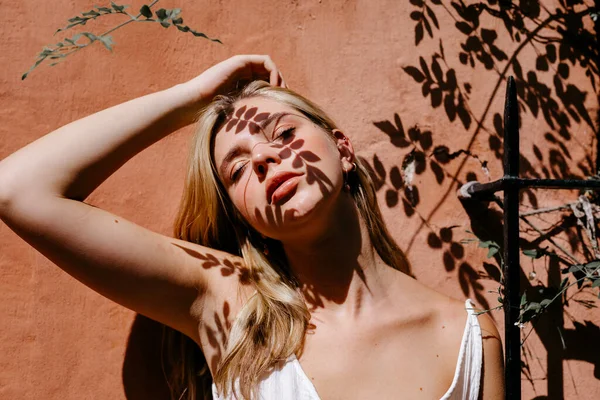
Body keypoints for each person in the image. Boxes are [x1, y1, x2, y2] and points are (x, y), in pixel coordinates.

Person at [0, 55, 505, 399]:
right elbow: (18, 189)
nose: (263, 157)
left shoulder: (467, 334)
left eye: (283, 133)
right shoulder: (230, 302)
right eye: (237, 170)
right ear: (243, 213)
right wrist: (192, 96)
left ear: (343, 150)